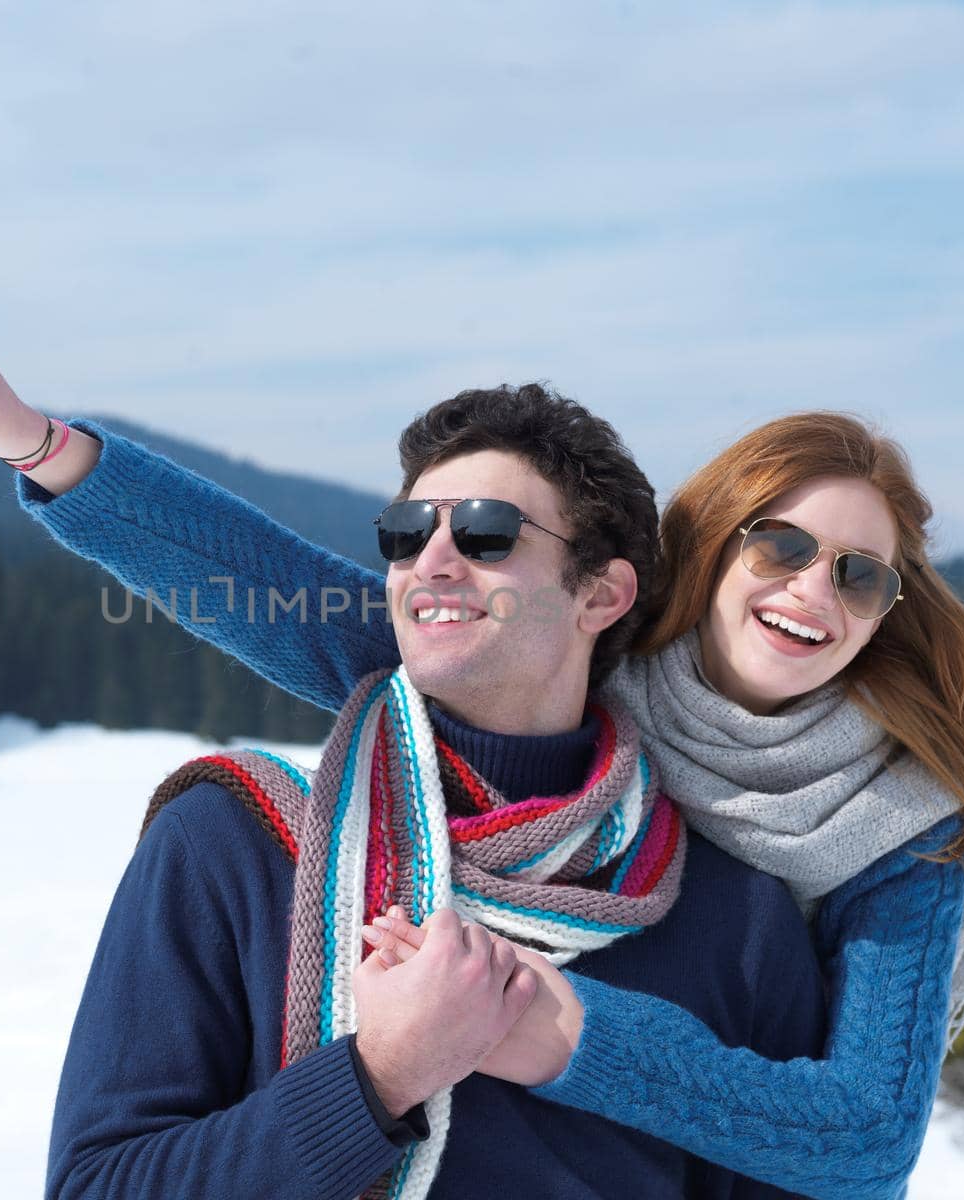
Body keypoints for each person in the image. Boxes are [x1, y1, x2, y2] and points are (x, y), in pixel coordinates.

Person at [0, 243, 964, 1198]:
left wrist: (556, 1029)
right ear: (709, 560)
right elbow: (260, 584)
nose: (810, 589)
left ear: (602, 591)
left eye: (859, 575)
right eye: (781, 546)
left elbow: (859, 1144)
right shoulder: (235, 853)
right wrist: (29, 437)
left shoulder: (865, 860)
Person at [41, 383, 827, 1199]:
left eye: (487, 532)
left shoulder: (737, 921)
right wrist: (377, 1079)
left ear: (600, 593)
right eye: (407, 534)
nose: (432, 562)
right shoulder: (231, 845)